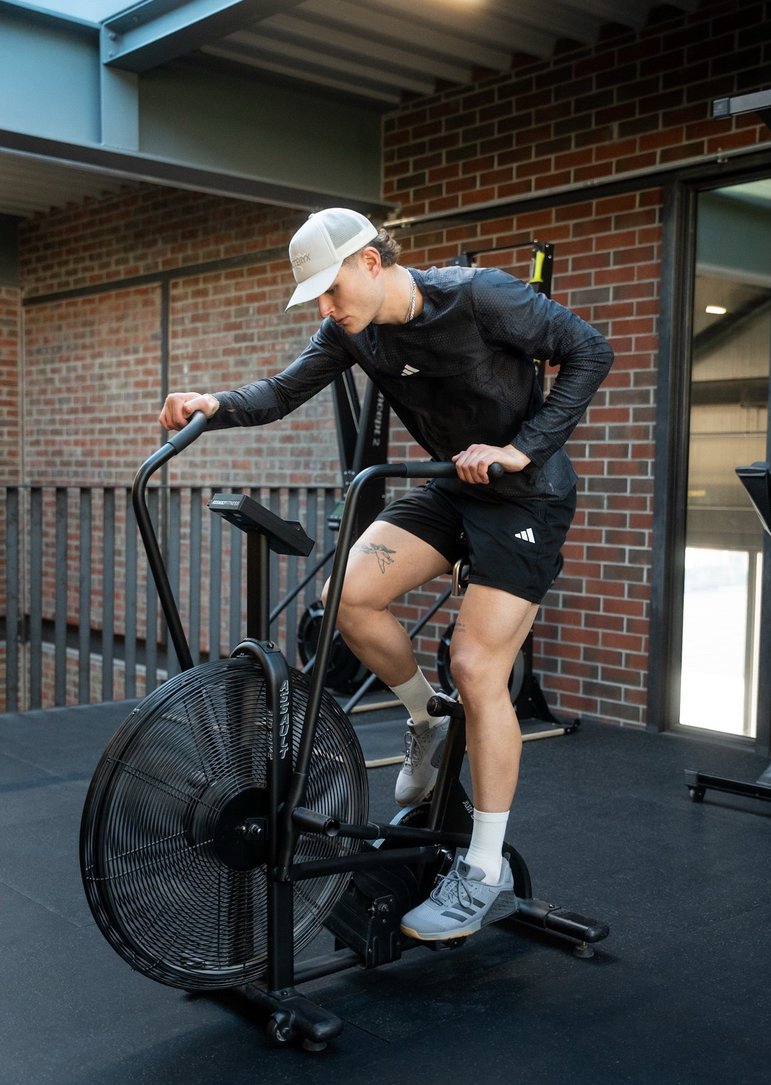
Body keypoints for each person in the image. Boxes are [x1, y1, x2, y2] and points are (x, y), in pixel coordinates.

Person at [160, 207, 613, 942]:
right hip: (451, 485)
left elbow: (590, 349)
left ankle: (483, 869)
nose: (327, 309)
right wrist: (212, 405)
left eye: (332, 290)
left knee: (476, 667)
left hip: (525, 495)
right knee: (348, 596)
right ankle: (425, 718)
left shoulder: (481, 296)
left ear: (370, 262)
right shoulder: (353, 330)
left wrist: (524, 447)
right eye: (317, 298)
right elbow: (281, 391)